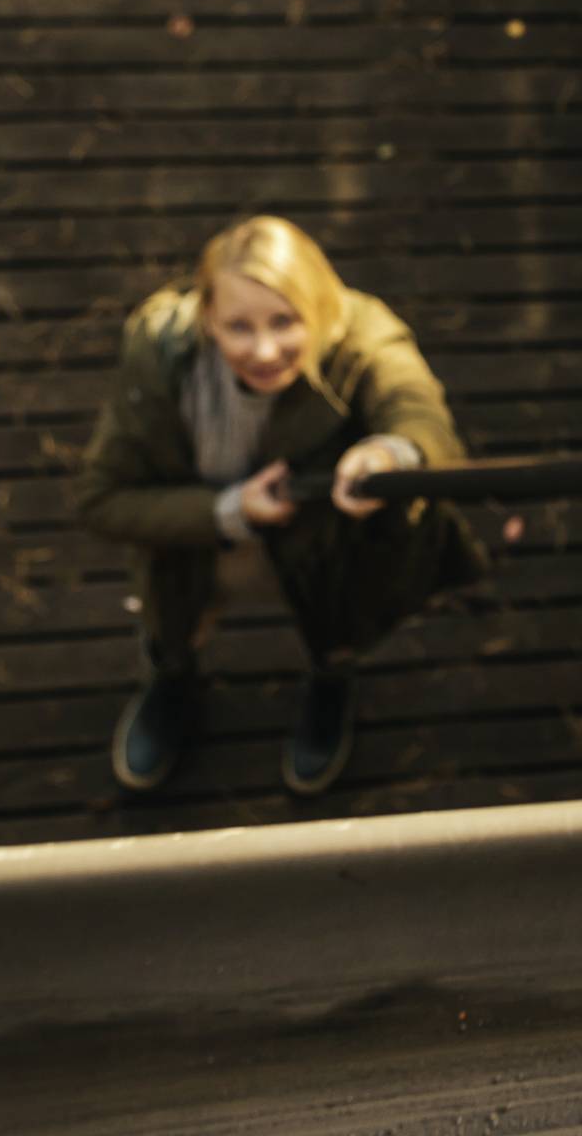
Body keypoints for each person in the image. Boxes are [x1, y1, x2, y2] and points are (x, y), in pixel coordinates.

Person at [73, 216, 488, 797]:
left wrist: (391, 453)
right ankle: (173, 679)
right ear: (206, 318)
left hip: (320, 546)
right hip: (202, 542)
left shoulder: (363, 334)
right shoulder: (160, 356)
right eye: (238, 326)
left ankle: (330, 678)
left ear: (317, 307)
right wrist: (226, 510)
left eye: (285, 321)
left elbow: (414, 406)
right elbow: (102, 499)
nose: (265, 351)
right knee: (175, 623)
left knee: (334, 625)